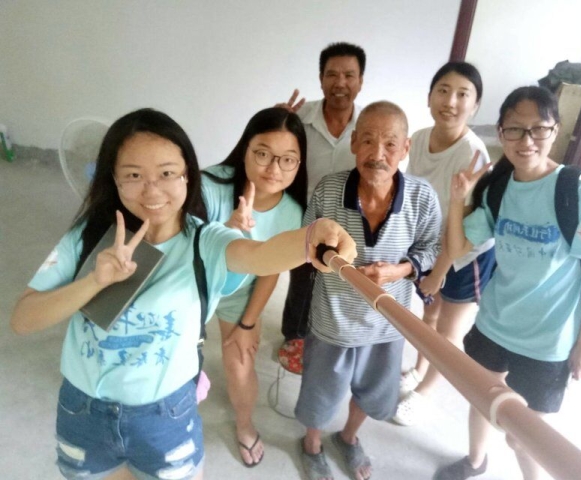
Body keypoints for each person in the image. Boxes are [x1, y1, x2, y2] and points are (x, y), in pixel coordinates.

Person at [9, 108, 356, 480]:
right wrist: (94, 281)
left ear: (188, 174)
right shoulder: (89, 235)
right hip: (84, 413)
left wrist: (314, 235)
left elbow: (260, 255)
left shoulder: (206, 240)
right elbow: (23, 319)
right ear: (113, 178)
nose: (152, 190)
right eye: (134, 175)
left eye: (166, 173)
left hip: (164, 416)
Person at [436, 86, 581, 480]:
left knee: (526, 438)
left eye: (538, 129)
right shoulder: (499, 188)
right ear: (501, 133)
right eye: (515, 129)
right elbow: (458, 247)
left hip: (548, 340)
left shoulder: (575, 191)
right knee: (483, 402)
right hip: (494, 323)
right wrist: (458, 199)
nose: (526, 140)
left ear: (555, 130)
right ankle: (475, 461)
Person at [295, 101, 442, 480]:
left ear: (405, 148)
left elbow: (431, 249)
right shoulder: (329, 189)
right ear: (354, 144)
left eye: (390, 144)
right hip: (333, 321)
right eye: (368, 141)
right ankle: (311, 444)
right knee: (320, 392)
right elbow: (307, 240)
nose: (378, 154)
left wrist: (399, 270)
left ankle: (348, 437)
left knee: (375, 391)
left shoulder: (422, 197)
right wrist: (330, 258)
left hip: (389, 324)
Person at [200, 107, 307, 467]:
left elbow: (269, 271)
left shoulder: (292, 213)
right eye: (263, 153)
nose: (274, 168)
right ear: (245, 148)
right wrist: (227, 230)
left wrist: (247, 323)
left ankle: (244, 425)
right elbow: (182, 250)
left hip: (240, 293)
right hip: (195, 286)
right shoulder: (210, 185)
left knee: (241, 363)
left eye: (287, 159)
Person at [394, 62, 495, 425]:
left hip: (466, 255)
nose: (450, 102)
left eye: (462, 94)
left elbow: (462, 230)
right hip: (433, 246)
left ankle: (424, 392)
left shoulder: (473, 154)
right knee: (429, 316)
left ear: (475, 105)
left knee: (449, 333)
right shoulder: (420, 138)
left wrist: (438, 272)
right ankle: (419, 369)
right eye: (443, 91)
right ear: (429, 97)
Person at [275, 41, 366, 373]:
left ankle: (327, 337)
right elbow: (275, 152)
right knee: (301, 277)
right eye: (332, 74)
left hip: (347, 217)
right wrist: (276, 122)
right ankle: (294, 334)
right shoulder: (299, 117)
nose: (340, 83)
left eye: (349, 75)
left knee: (336, 280)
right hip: (303, 213)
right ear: (320, 78)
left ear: (360, 81)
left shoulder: (367, 124)